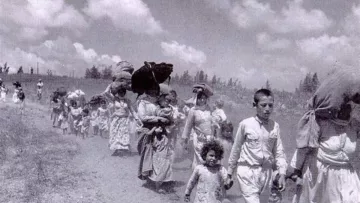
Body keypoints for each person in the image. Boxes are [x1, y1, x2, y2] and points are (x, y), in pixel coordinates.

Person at [288, 68, 360, 203]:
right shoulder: (320, 122)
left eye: (351, 106)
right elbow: (304, 147)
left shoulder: (354, 125)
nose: (348, 109)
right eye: (344, 105)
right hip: (319, 177)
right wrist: (296, 171)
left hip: (346, 176)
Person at [227, 89, 287, 203]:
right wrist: (229, 172)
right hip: (247, 171)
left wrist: (282, 174)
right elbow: (236, 148)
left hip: (266, 173)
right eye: (263, 105)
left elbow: (279, 152)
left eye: (270, 105)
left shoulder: (275, 126)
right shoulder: (245, 124)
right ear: (255, 105)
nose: (267, 109)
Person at [181, 83, 216, 170]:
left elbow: (213, 122)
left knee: (208, 158)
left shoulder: (209, 109)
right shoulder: (193, 110)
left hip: (209, 138)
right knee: (200, 158)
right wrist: (185, 139)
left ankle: (205, 178)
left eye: (204, 98)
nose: (202, 100)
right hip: (199, 137)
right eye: (200, 98)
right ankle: (197, 176)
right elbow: (188, 126)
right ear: (197, 99)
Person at [105, 82, 140, 156]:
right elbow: (106, 93)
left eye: (123, 92)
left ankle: (124, 150)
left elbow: (132, 111)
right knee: (116, 134)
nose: (122, 94)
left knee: (124, 134)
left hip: (125, 120)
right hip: (116, 120)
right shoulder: (114, 99)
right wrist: (111, 85)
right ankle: (117, 149)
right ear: (118, 93)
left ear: (125, 93)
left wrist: (137, 119)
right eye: (120, 92)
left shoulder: (127, 101)